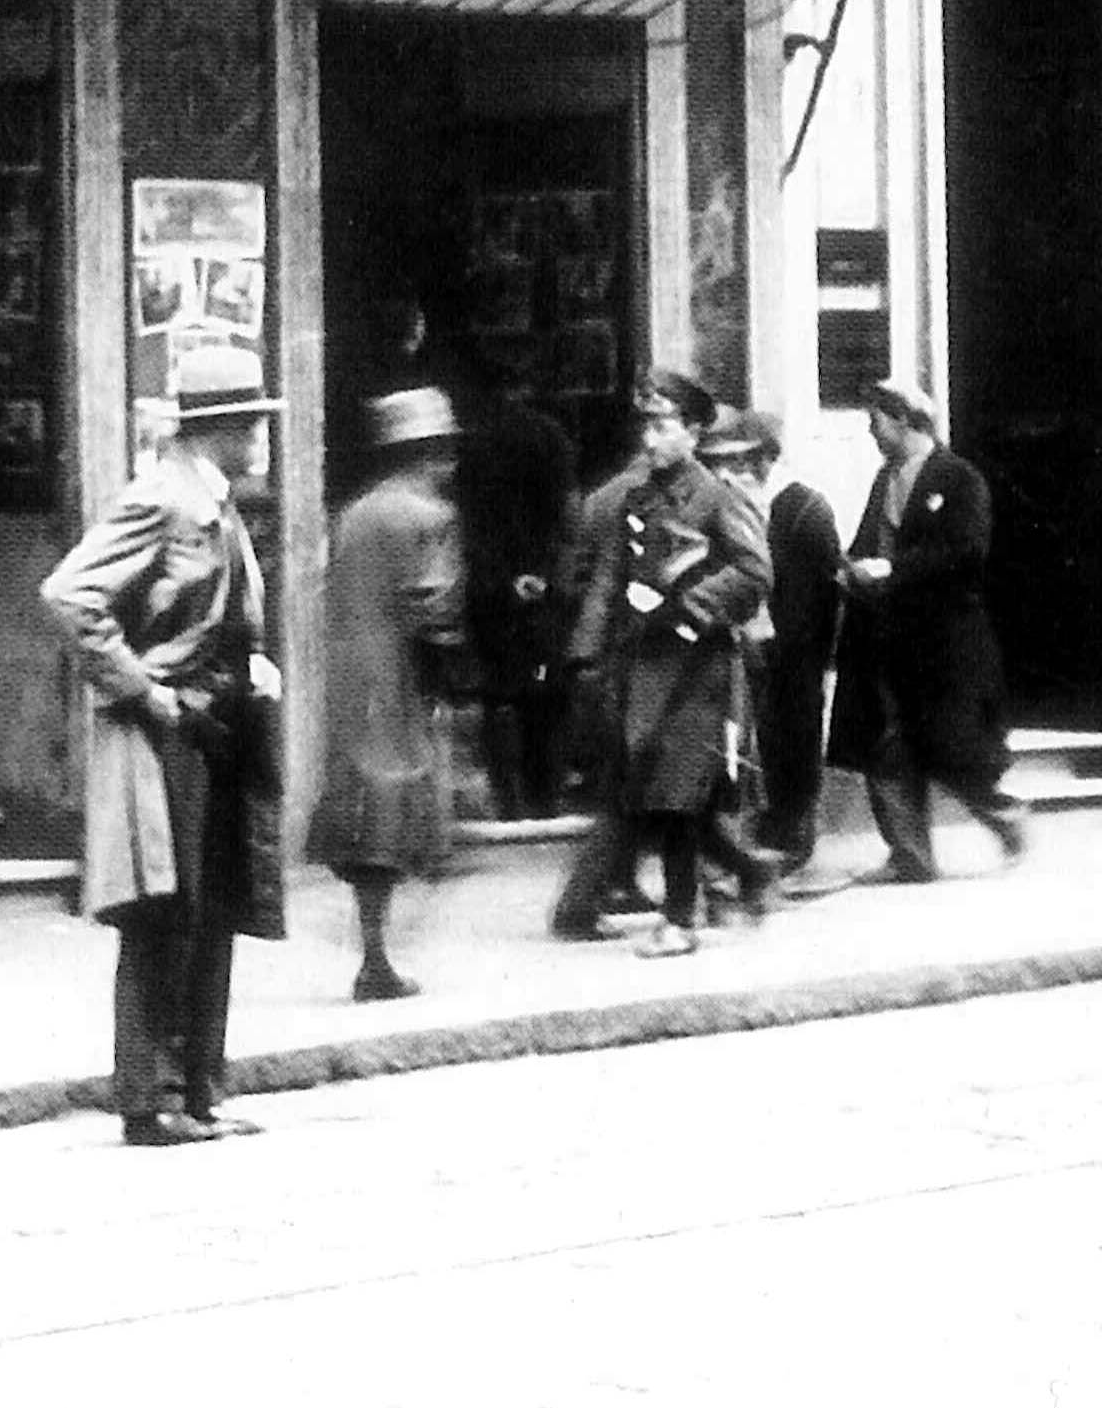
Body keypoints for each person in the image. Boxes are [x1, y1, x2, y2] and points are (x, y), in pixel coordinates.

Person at [43, 339, 284, 1148]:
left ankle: (198, 1090)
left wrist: (248, 667)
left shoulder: (213, 498)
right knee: (162, 910)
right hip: (167, 733)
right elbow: (72, 594)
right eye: (249, 422)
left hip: (214, 726)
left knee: (213, 902)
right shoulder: (165, 498)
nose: (258, 436)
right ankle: (153, 1098)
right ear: (218, 428)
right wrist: (145, 690)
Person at [564, 371, 778, 957]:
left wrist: (693, 605)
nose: (650, 440)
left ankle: (680, 919)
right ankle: (750, 874)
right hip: (641, 666)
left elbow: (755, 572)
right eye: (646, 427)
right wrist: (591, 652)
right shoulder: (638, 498)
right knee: (664, 792)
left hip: (696, 666)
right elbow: (613, 577)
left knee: (676, 792)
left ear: (692, 431)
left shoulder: (717, 496)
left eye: (662, 427)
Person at [306, 387, 471, 1001]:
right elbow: (434, 607)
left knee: (363, 809)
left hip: (353, 679)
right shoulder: (428, 517)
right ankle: (376, 959)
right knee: (395, 812)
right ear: (431, 454)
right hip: (401, 681)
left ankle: (374, 951)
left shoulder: (355, 513)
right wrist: (453, 671)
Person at [831, 380, 1032, 882]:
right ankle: (910, 855)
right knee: (887, 747)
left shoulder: (959, 478)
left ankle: (1004, 816)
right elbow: (870, 538)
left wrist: (893, 571)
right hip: (886, 638)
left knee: (951, 748)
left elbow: (966, 551)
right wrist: (853, 568)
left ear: (902, 419)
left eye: (875, 420)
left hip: (942, 640)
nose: (870, 431)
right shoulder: (886, 478)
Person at [701, 408, 845, 873]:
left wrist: (806, 649)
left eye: (741, 459)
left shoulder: (804, 507)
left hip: (793, 649)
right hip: (750, 642)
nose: (730, 469)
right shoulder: (736, 504)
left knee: (795, 736)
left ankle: (795, 834)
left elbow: (822, 590)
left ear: (762, 458)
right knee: (758, 741)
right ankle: (770, 828)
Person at [456, 365, 578, 818]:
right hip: (543, 590)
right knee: (546, 693)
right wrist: (547, 576)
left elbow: (469, 522)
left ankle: (508, 800)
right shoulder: (552, 437)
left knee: (498, 694)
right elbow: (568, 514)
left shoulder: (475, 442)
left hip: (493, 591)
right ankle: (546, 795)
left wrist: (505, 578)